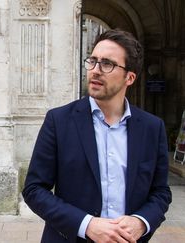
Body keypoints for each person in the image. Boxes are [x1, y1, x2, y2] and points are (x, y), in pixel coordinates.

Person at [22, 29, 172, 243]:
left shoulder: (152, 127)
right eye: (92, 61)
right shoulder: (59, 120)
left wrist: (141, 222)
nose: (95, 70)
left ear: (129, 77)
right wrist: (87, 224)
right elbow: (34, 190)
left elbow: (160, 192)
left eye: (107, 64)